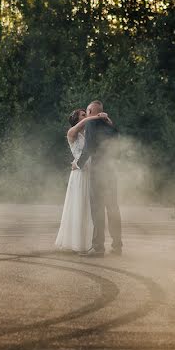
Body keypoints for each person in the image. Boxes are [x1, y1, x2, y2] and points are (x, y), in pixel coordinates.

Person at [54, 108, 112, 252]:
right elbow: (86, 122)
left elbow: (109, 131)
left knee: (90, 208)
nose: (86, 116)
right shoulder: (71, 133)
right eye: (83, 115)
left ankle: (89, 243)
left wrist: (105, 119)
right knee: (79, 206)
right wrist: (96, 116)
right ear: (77, 119)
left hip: (91, 173)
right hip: (80, 174)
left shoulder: (88, 134)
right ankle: (76, 242)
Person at [75, 100, 122, 257]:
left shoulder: (91, 124)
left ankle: (98, 248)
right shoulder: (109, 125)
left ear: (90, 111)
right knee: (113, 209)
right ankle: (117, 246)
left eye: (87, 112)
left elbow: (89, 148)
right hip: (111, 171)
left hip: (98, 172)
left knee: (97, 210)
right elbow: (118, 145)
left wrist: (78, 164)